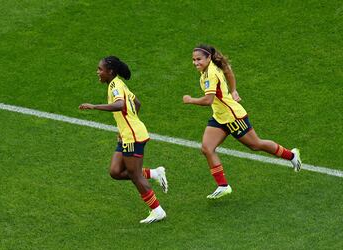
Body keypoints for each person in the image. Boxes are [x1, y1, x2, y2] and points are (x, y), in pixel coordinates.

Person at [183, 44, 302, 199]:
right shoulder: (210, 68)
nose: (195, 63)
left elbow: (208, 99)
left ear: (208, 58)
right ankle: (223, 186)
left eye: (198, 59)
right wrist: (233, 90)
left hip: (233, 117)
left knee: (256, 145)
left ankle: (292, 156)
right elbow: (228, 71)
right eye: (193, 60)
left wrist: (190, 100)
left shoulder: (211, 74)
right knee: (207, 148)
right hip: (220, 117)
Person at [79, 56, 167, 223]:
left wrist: (94, 106)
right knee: (115, 171)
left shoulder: (115, 87)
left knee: (135, 175)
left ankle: (157, 210)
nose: (98, 72)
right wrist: (125, 127)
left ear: (110, 71)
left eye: (100, 69)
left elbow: (120, 105)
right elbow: (137, 103)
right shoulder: (117, 84)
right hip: (128, 134)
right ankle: (155, 173)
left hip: (133, 137)